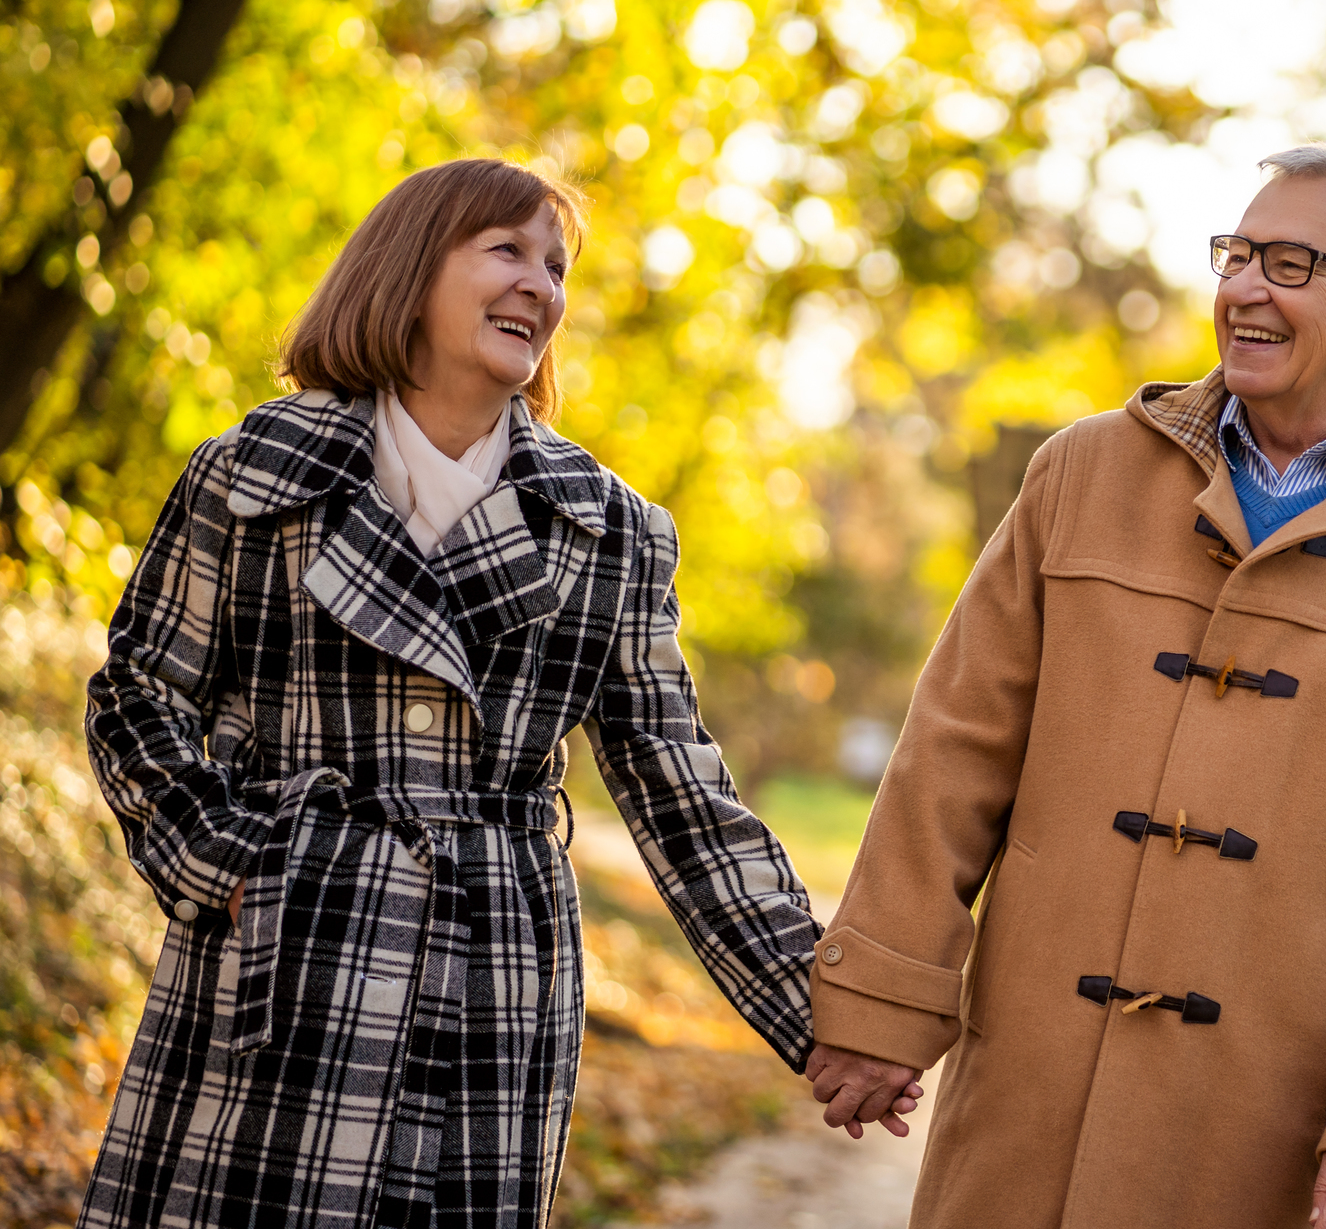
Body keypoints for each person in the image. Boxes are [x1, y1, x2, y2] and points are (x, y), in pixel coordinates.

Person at [77, 157, 913, 1229]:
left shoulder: (607, 528)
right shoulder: (256, 472)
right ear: (410, 267)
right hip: (287, 957)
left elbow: (684, 800)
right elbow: (139, 695)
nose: (541, 286)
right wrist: (232, 863)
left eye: (557, 267)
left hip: (492, 981)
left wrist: (828, 1016)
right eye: (507, 250)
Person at [803, 145, 1326, 1228]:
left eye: (1291, 263)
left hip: (1271, 1115)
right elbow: (954, 748)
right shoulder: (1083, 472)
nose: (1245, 288)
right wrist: (880, 990)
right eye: (1237, 254)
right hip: (1030, 1074)